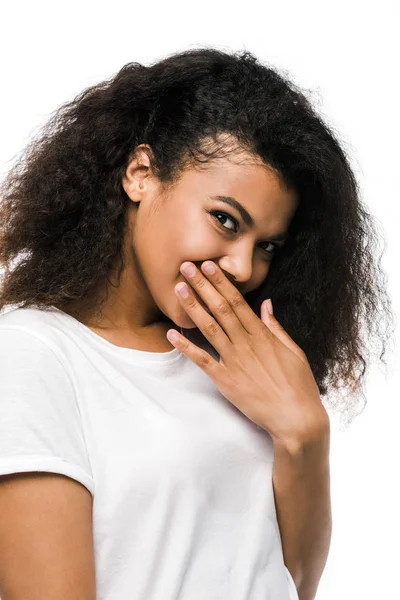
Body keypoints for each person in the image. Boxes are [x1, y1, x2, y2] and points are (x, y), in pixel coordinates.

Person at [0, 48, 393, 600]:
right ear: (141, 175)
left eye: (268, 247)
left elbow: (295, 585)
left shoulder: (242, 369)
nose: (243, 267)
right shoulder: (32, 354)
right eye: (225, 220)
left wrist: (305, 432)